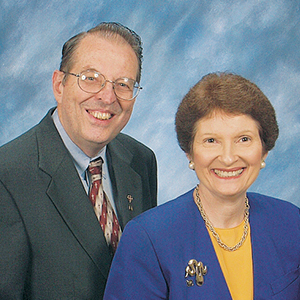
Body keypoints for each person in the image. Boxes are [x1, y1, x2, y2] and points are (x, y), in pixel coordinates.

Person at [104, 72, 300, 299]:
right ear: (189, 152)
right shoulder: (147, 238)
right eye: (211, 141)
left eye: (243, 139)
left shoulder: (291, 221)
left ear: (264, 150)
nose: (228, 158)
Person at [0, 22, 157, 299]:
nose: (107, 97)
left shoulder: (141, 161)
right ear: (59, 85)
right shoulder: (8, 176)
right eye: (91, 78)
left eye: (123, 84)